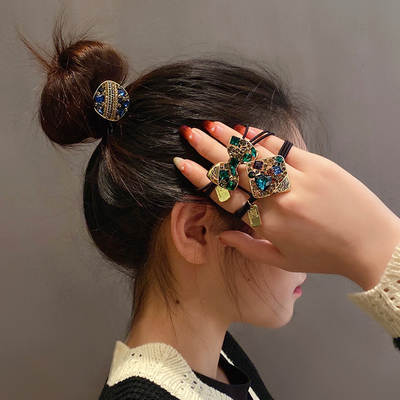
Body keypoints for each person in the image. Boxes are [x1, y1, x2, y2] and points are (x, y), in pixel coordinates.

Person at [19, 15, 400, 400]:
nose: (310, 234)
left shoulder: (218, 362)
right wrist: (376, 250)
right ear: (196, 232)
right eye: (279, 203)